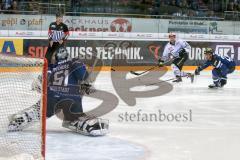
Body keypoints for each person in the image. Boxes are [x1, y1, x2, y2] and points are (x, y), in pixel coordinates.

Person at [8, 47, 108, 136]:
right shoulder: (74, 61)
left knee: (38, 111)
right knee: (75, 115)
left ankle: (20, 119)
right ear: (67, 56)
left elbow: (37, 86)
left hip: (52, 96)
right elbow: (84, 78)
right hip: (71, 97)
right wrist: (87, 84)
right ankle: (75, 121)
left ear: (56, 58)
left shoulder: (51, 67)